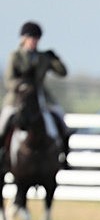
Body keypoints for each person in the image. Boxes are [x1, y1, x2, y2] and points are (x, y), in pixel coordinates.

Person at [0, 21, 71, 168]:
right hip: (18, 100)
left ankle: (64, 155)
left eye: (36, 39)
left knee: (60, 118)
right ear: (23, 39)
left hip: (41, 98)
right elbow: (8, 81)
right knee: (3, 124)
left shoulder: (43, 57)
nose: (34, 41)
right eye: (31, 38)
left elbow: (63, 73)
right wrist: (23, 85)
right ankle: (2, 158)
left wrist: (55, 59)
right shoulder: (15, 56)